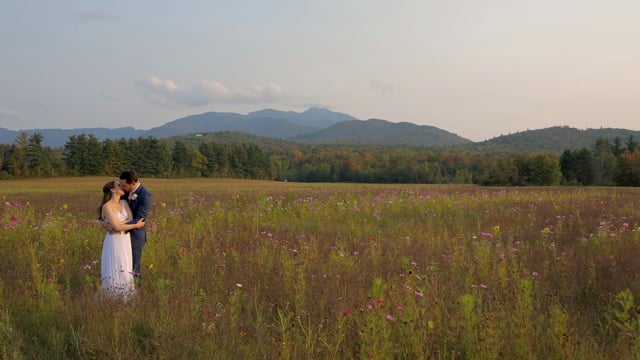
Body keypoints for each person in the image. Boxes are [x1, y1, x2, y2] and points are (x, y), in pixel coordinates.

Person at [98, 180, 145, 300]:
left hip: (125, 240)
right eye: (119, 185)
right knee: (115, 266)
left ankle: (126, 298)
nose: (122, 186)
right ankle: (112, 299)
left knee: (125, 267)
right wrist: (134, 226)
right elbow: (125, 225)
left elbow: (130, 219)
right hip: (114, 241)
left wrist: (116, 225)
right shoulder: (106, 207)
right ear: (112, 190)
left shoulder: (124, 202)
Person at [118, 170, 152, 285]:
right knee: (122, 263)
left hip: (136, 236)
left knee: (134, 265)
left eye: (124, 185)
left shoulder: (145, 195)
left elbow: (140, 219)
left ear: (133, 183)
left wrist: (119, 227)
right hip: (121, 235)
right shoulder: (124, 192)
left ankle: (136, 290)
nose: (121, 187)